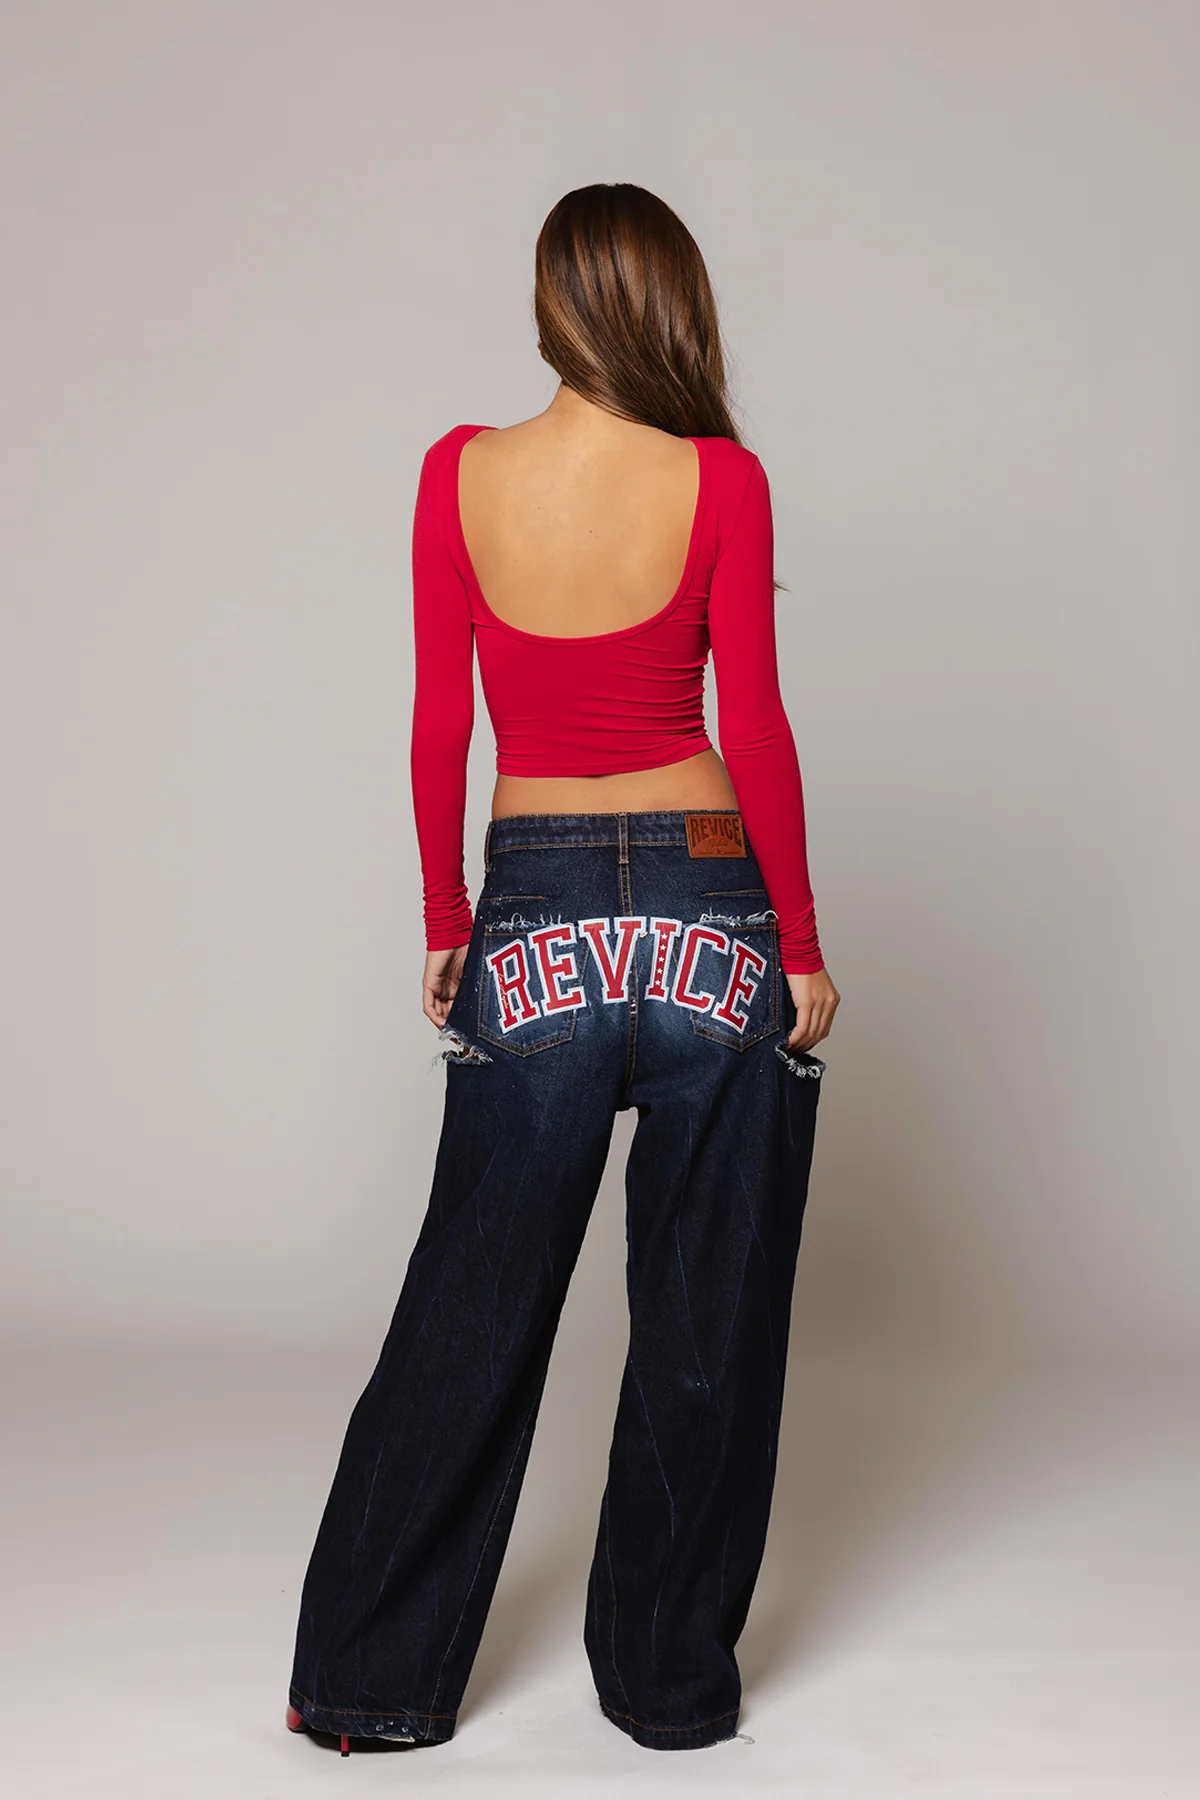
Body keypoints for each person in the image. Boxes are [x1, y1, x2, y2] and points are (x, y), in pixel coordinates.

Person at [286, 181, 841, 1757]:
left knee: (471, 1298)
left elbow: (437, 720)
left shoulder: (458, 474)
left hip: (533, 912)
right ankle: (668, 1685)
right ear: (671, 306)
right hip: (712, 902)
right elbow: (756, 727)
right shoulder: (721, 479)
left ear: (550, 305)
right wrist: (800, 944)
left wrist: (445, 917)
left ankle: (368, 1683)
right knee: (708, 1311)